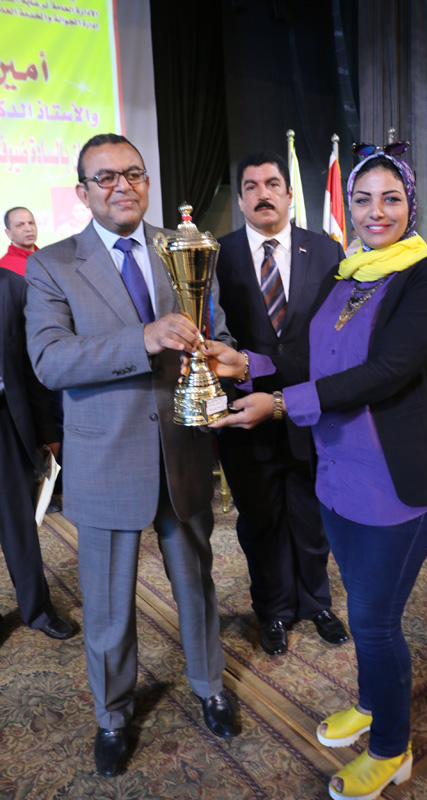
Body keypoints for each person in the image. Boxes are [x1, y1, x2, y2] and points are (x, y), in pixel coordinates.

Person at [206, 150, 427, 799]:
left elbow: (386, 370)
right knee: (362, 606)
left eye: (390, 198)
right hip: (336, 472)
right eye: (362, 199)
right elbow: (308, 351)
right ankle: (372, 703)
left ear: (410, 204)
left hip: (396, 482)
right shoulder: (349, 272)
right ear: (347, 206)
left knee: (376, 622)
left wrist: (278, 404)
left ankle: (391, 749)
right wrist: (247, 364)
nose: (375, 212)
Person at [24, 133, 239, 779]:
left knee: (196, 585)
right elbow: (50, 360)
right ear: (82, 191)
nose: (123, 185)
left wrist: (223, 356)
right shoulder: (53, 265)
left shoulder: (183, 247)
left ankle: (210, 687)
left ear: (148, 181)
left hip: (182, 451)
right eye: (106, 177)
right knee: (109, 607)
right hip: (107, 459)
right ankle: (113, 716)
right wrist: (142, 337)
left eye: (135, 173)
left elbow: (216, 328)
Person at [215, 151, 348, 656]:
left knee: (313, 517)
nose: (263, 194)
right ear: (240, 198)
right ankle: (272, 609)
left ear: (289, 194)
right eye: (251, 186)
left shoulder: (327, 249)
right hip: (246, 412)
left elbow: (337, 331)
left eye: (272, 183)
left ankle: (317, 603)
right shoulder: (217, 254)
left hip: (311, 411)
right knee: (261, 521)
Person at [0, 267, 75, 642]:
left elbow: (32, 370)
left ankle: (37, 609)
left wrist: (47, 433)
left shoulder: (14, 287)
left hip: (5, 422)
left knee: (18, 524)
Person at [0, 207, 38, 275]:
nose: (28, 229)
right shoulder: (3, 268)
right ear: (8, 233)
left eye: (31, 223)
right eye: (20, 225)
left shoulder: (47, 258)